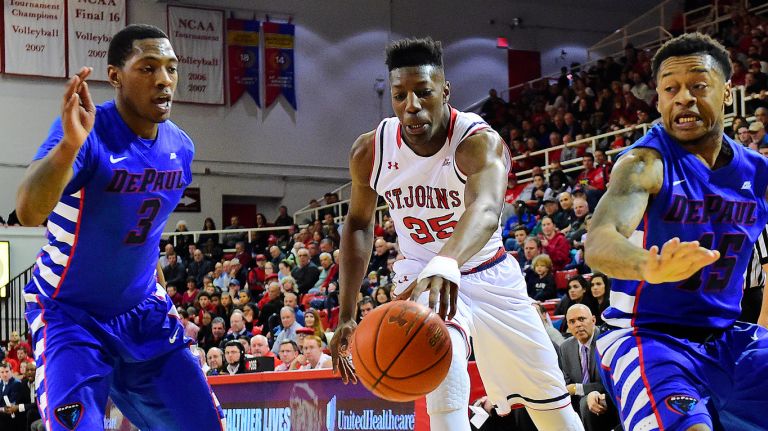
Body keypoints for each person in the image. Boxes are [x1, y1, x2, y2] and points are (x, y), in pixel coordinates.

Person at [331, 37, 583, 431]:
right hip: (420, 276)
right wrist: (346, 315)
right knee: (445, 386)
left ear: (445, 91)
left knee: (552, 407)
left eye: (422, 93)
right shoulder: (371, 151)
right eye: (399, 96)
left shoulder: (478, 143)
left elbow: (484, 210)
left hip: (488, 273)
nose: (410, 106)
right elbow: (359, 224)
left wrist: (446, 261)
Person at [13, 24, 223, 430]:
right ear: (115, 76)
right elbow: (28, 211)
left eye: (170, 68)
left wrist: (152, 277)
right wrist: (69, 147)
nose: (164, 80)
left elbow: (143, 228)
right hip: (70, 315)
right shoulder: (88, 132)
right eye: (147, 68)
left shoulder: (181, 147)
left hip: (143, 313)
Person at [585, 33, 768, 431]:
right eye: (670, 89)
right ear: (659, 101)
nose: (683, 97)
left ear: (726, 92)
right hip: (647, 338)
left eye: (698, 86)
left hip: (729, 339)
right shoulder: (644, 163)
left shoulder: (757, 172)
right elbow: (599, 241)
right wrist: (647, 266)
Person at [558, 305, 620, 431]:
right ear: (568, 326)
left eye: (582, 319)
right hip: (579, 400)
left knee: (586, 403)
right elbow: (566, 382)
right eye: (572, 322)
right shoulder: (565, 347)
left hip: (609, 397)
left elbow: (612, 383)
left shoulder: (608, 340)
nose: (578, 325)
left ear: (593, 320)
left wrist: (577, 388)